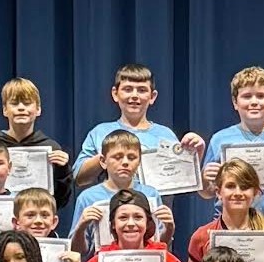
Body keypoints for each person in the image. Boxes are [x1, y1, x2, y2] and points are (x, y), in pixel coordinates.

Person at [74, 63, 204, 189]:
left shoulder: (165, 134)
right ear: (115, 94)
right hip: (112, 208)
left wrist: (195, 153)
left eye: (142, 90)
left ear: (152, 97)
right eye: (127, 89)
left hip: (155, 208)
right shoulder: (100, 132)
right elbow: (78, 177)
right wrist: (109, 154)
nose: (134, 96)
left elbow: (183, 180)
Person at [199, 66, 264, 215]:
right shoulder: (220, 139)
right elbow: (206, 193)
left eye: (260, 96)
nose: (254, 102)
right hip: (229, 225)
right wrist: (206, 179)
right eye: (246, 96)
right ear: (235, 102)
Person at [71, 130, 174, 256]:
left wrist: (169, 228)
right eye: (117, 157)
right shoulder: (88, 198)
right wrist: (81, 226)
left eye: (131, 157)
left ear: (140, 162)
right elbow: (76, 252)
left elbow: (160, 246)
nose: (125, 162)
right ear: (103, 161)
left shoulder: (151, 195)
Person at [0, 77, 74, 209]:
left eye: (27, 103)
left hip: (35, 218)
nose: (21, 108)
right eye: (14, 103)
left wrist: (63, 171)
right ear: (5, 110)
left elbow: (60, 201)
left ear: (38, 110)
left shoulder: (51, 148)